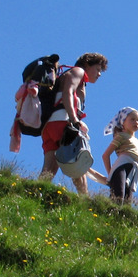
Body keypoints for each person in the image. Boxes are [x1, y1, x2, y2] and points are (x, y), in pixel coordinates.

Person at [39, 52, 108, 195]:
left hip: (48, 126)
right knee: (77, 161)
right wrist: (74, 119)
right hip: (63, 123)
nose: (99, 74)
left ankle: (35, 192)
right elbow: (68, 92)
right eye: (98, 69)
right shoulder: (78, 71)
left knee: (50, 167)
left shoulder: (71, 76)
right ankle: (84, 201)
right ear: (87, 64)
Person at [100, 107, 138, 204]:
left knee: (127, 199)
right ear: (123, 122)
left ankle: (121, 217)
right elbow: (105, 155)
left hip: (133, 172)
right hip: (121, 166)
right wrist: (110, 175)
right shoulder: (121, 136)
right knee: (118, 194)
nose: (136, 122)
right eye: (132, 119)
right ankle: (110, 213)